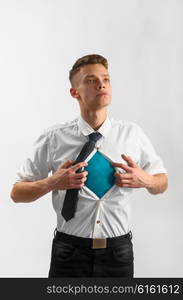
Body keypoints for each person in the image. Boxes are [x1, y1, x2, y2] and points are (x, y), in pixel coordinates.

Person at [10, 54, 168, 277]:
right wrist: (52, 182)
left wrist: (147, 180)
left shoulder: (132, 134)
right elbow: (17, 193)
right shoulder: (54, 138)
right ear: (75, 92)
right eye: (91, 80)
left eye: (106, 79)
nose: (101, 84)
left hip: (118, 255)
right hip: (68, 254)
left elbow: (162, 182)